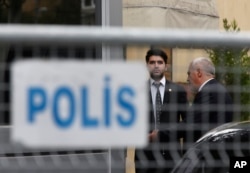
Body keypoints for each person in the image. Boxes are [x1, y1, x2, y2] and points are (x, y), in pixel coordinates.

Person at [135, 49, 188, 173]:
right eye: (152, 62)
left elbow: (187, 122)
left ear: (166, 66)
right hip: (145, 155)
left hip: (171, 155)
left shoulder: (177, 90)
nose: (156, 66)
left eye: (160, 62)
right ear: (147, 66)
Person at [186, 57, 233, 146]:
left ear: (199, 73)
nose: (187, 79)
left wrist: (160, 134)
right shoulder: (217, 89)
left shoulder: (209, 92)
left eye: (189, 74)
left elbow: (190, 124)